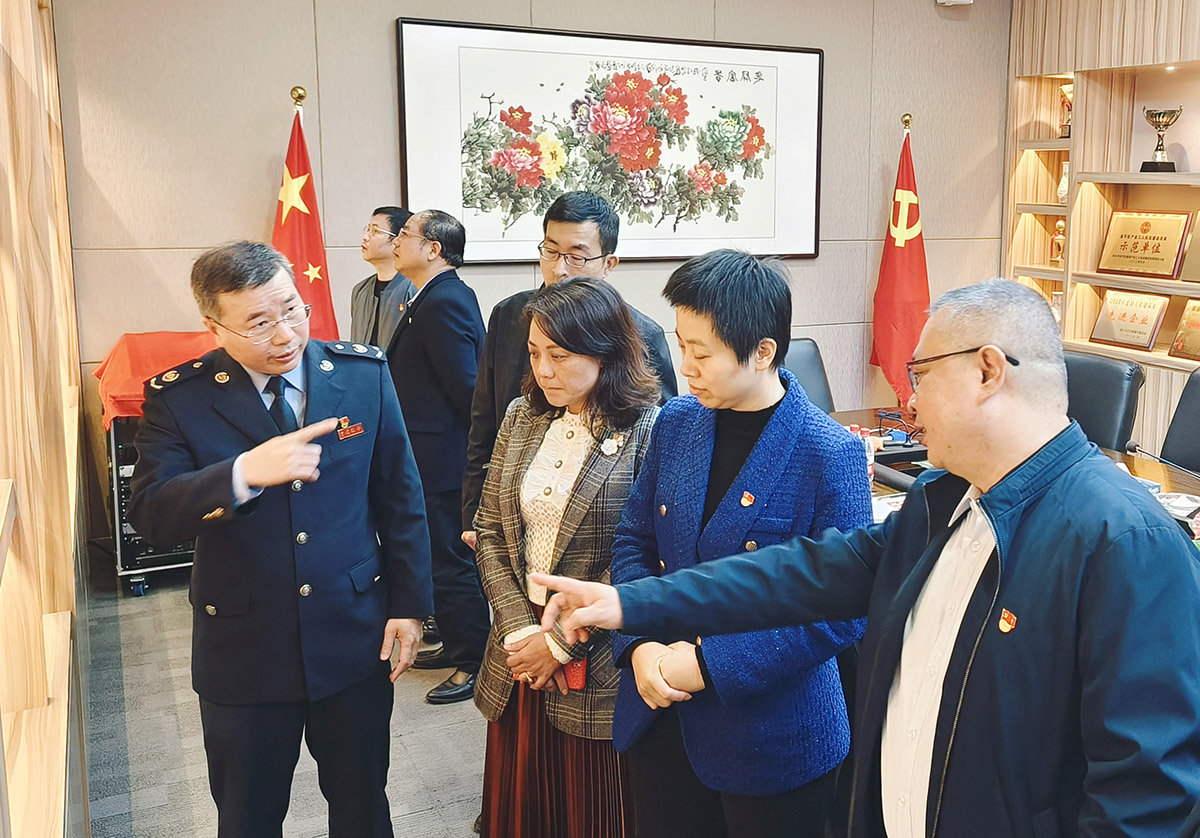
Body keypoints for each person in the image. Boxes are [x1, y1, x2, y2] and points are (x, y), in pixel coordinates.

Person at [536, 278, 1200, 838]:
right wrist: (628, 603)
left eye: (921, 375)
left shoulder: (1124, 541)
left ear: (988, 371)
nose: (907, 402)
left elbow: (1145, 797)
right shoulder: (942, 500)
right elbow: (800, 574)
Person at [128, 241, 432, 837]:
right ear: (214, 326)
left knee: (363, 804)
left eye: (292, 310)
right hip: (244, 648)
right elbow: (151, 513)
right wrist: (241, 474)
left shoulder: (361, 374)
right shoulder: (181, 398)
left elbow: (401, 499)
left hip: (353, 635)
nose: (285, 334)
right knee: (248, 815)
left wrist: (410, 605)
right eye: (259, 323)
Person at [609, 250, 871, 838]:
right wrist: (641, 644)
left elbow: (842, 611)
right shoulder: (677, 422)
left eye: (701, 354)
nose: (685, 366)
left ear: (763, 352)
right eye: (681, 346)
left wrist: (708, 664)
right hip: (660, 712)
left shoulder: (827, 452)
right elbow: (633, 540)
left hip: (770, 737)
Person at [473, 277, 660, 837]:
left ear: (606, 352)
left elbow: (642, 557)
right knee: (523, 807)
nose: (543, 371)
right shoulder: (521, 417)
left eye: (559, 356)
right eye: (534, 354)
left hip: (596, 657)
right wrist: (521, 634)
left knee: (593, 809)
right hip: (519, 652)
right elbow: (489, 531)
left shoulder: (651, 429)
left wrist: (558, 642)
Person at [461, 191, 678, 549]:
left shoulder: (642, 333)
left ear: (609, 264)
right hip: (512, 515)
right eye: (551, 251)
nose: (560, 269)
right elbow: (483, 424)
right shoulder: (509, 315)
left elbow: (661, 443)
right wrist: (474, 515)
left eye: (577, 257)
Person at [388, 209, 491, 704]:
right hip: (431, 455)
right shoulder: (430, 295)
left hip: (445, 460)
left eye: (406, 234)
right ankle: (454, 642)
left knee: (451, 563)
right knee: (438, 559)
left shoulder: (444, 300)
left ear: (433, 248)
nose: (396, 240)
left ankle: (474, 660)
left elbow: (469, 390)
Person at [350, 206, 417, 347]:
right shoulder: (360, 290)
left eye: (375, 231)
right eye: (367, 229)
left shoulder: (414, 289)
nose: (365, 237)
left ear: (398, 240)